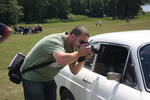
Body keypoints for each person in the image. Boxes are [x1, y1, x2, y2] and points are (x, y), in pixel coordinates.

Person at [21, 26, 93, 100]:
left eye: (86, 43)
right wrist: (79, 53)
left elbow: (74, 70)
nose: (83, 45)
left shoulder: (73, 47)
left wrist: (83, 57)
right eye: (82, 42)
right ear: (72, 36)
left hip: (48, 78)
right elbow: (61, 60)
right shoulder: (55, 41)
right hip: (33, 78)